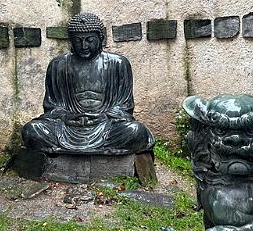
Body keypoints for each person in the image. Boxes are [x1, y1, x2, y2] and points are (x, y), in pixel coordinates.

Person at [22, 12, 154, 154]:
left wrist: (103, 116)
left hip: (106, 125)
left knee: (135, 131)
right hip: (68, 126)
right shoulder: (58, 65)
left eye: (89, 40)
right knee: (32, 130)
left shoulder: (118, 64)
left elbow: (125, 106)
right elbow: (52, 106)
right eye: (78, 41)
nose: (83, 45)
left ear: (100, 38)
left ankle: (79, 150)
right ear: (71, 42)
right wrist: (67, 117)